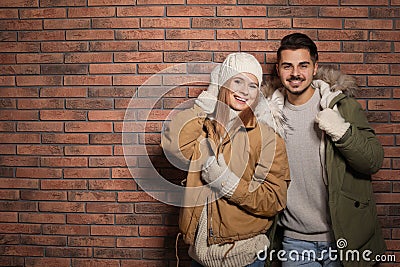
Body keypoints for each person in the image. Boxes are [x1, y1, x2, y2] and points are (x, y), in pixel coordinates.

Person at [264, 33, 386, 266]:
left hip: (342, 239)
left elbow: (373, 161)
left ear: (315, 67)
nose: (295, 73)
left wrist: (342, 132)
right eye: (287, 66)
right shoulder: (268, 115)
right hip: (294, 242)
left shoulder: (341, 106)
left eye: (303, 65)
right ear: (278, 69)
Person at [161, 52, 290, 267]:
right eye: (237, 81)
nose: (243, 91)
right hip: (199, 257)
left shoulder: (267, 137)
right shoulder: (204, 127)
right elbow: (172, 148)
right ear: (223, 83)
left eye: (252, 85)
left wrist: (227, 183)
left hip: (244, 258)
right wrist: (206, 102)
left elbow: (275, 199)